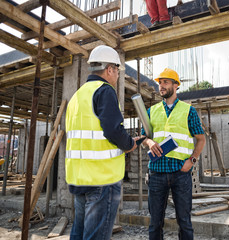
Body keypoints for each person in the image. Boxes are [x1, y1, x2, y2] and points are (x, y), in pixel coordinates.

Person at [65, 45, 141, 240]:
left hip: (79, 177)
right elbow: (113, 130)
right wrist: (129, 144)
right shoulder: (105, 91)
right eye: (117, 71)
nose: (117, 77)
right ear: (110, 69)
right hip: (101, 179)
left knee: (79, 232)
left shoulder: (78, 95)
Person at [142, 68, 206, 240]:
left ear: (176, 85)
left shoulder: (188, 110)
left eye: (165, 82)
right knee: (155, 223)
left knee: (184, 221)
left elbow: (201, 139)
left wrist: (191, 161)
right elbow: (143, 137)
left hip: (180, 173)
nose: (161, 86)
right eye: (160, 83)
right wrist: (149, 141)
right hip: (156, 173)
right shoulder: (151, 111)